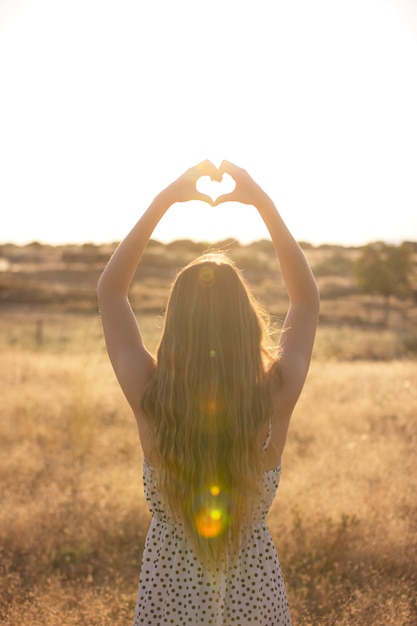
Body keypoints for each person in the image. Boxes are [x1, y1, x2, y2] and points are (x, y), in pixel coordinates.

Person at [97, 160, 320, 625]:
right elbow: (305, 300)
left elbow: (111, 292)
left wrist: (165, 199)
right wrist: (263, 202)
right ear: (246, 321)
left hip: (168, 596)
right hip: (254, 594)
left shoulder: (151, 394)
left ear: (175, 323)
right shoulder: (276, 393)